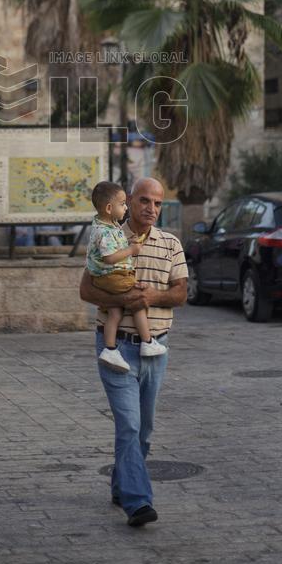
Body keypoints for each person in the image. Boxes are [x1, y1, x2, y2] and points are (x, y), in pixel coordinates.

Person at [79, 177, 187, 528]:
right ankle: (138, 502)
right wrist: (123, 300)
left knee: (144, 430)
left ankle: (121, 485)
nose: (150, 209)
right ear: (127, 201)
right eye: (143, 201)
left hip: (156, 347)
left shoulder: (171, 244)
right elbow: (86, 290)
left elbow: (180, 294)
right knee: (128, 425)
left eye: (157, 203)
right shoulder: (108, 236)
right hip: (117, 347)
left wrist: (149, 298)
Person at [88, 181, 167, 373]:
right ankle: (148, 342)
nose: (125, 208)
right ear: (109, 208)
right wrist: (131, 249)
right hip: (111, 275)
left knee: (115, 312)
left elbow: (113, 247)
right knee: (138, 299)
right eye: (123, 204)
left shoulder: (108, 225)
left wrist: (127, 242)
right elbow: (109, 258)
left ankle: (109, 349)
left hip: (105, 277)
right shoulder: (104, 231)